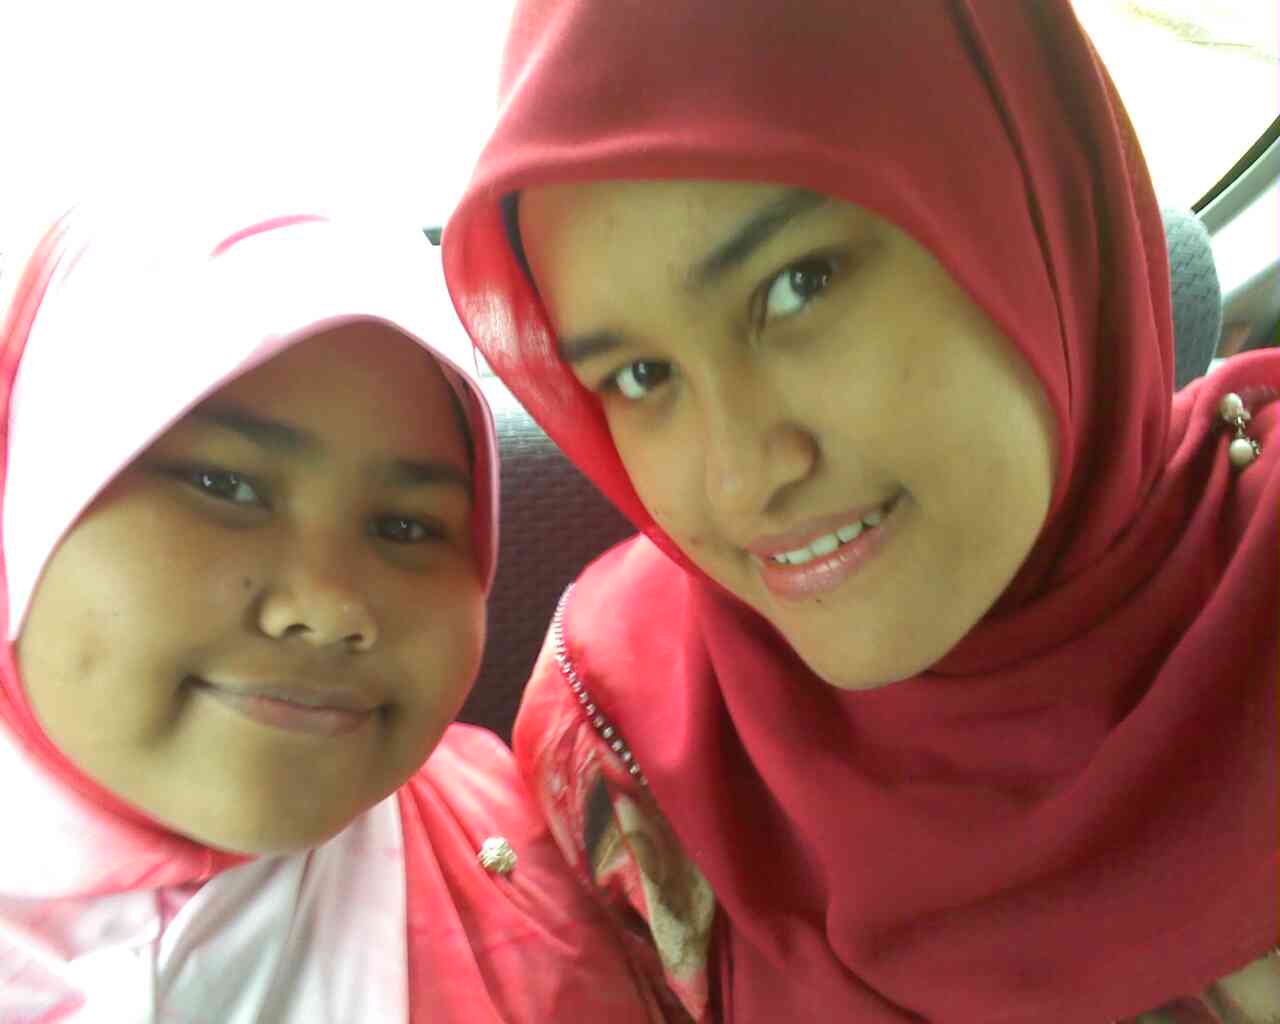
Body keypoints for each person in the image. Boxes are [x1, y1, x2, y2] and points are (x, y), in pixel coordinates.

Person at [441, 1, 1280, 1020]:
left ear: (1030, 205)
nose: (739, 483)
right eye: (638, 375)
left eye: (798, 286)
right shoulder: (613, 756)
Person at [0, 200, 669, 1022]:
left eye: (406, 527)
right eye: (224, 486)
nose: (329, 608)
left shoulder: (574, 859)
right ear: (26, 507)